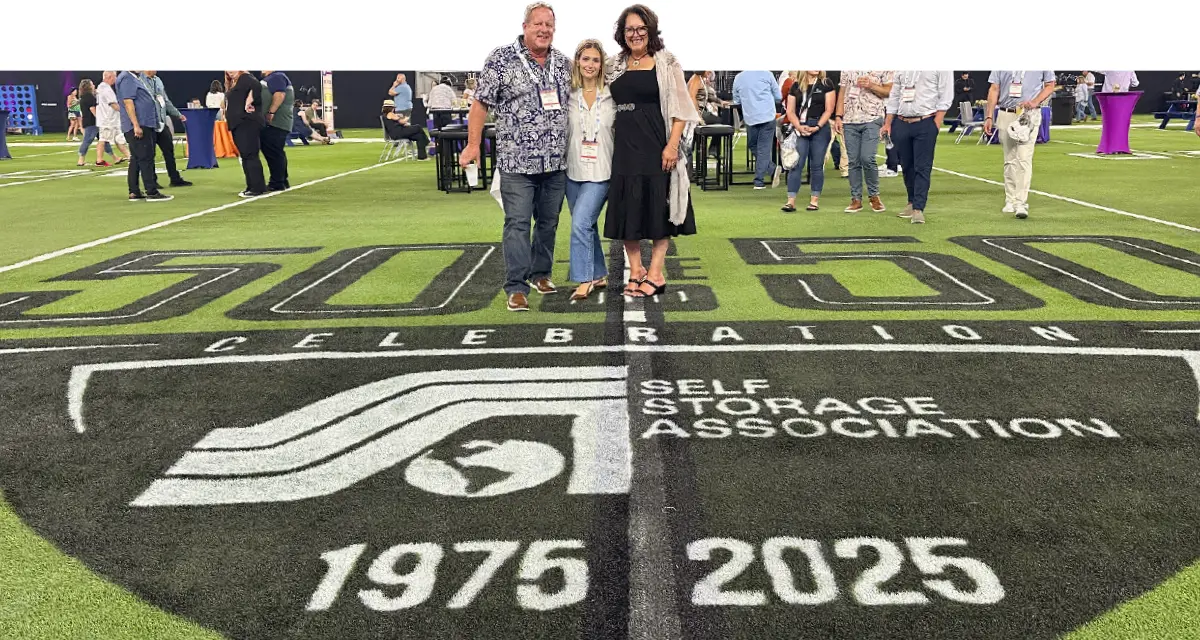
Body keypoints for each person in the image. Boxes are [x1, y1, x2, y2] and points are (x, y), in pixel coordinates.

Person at [459, 2, 572, 312]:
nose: (544, 29)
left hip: (555, 163)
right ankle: (516, 286)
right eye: (538, 23)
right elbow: (480, 105)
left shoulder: (563, 63)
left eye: (549, 24)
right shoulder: (501, 59)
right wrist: (472, 146)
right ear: (525, 27)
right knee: (518, 224)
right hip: (517, 164)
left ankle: (541, 274)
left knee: (548, 223)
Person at [603, 4, 700, 299]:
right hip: (623, 150)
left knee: (659, 211)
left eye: (641, 28)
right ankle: (636, 270)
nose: (635, 34)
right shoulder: (613, 65)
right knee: (625, 211)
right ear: (622, 33)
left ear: (651, 30)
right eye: (630, 29)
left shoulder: (666, 62)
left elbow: (682, 109)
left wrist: (672, 145)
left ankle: (656, 273)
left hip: (657, 147)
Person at [564, 38, 615, 301]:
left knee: (580, 223)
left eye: (596, 60)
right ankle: (598, 273)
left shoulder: (612, 96)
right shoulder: (567, 96)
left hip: (602, 171)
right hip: (572, 171)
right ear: (577, 62)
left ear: (601, 64)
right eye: (586, 59)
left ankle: (584, 280)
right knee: (587, 225)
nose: (590, 64)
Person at [880, 70, 953, 224]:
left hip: (925, 120)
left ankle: (918, 208)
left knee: (922, 167)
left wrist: (937, 122)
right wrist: (888, 122)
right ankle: (911, 201)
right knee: (906, 166)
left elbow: (946, 93)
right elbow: (894, 94)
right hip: (901, 121)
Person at [983, 70, 1056, 220]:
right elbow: (994, 88)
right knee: (1009, 159)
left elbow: (1050, 85)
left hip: (1029, 113)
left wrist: (1036, 101)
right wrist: (989, 115)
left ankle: (1021, 202)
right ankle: (1010, 199)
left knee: (1024, 158)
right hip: (1006, 112)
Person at [835, 70, 893, 213]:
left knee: (867, 158)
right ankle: (856, 199)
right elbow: (842, 91)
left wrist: (871, 85)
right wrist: (838, 115)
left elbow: (889, 91)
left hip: (872, 118)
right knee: (853, 161)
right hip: (849, 120)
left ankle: (874, 196)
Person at [782, 71, 835, 212]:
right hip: (801, 126)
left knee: (817, 165)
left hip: (820, 127)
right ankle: (791, 201)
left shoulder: (826, 84)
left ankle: (814, 200)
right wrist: (798, 126)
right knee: (796, 164)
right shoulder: (796, 86)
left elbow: (829, 110)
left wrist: (817, 126)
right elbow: (790, 110)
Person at [115, 70, 171, 201]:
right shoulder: (127, 78)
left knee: (136, 159)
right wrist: (135, 124)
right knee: (146, 158)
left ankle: (134, 191)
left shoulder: (135, 77)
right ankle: (151, 190)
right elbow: (128, 102)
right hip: (140, 124)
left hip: (143, 123)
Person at [731, 69, 781, 189]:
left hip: (751, 118)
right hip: (767, 116)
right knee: (761, 148)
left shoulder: (739, 77)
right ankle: (772, 169)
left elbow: (736, 100)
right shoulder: (767, 74)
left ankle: (759, 181)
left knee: (755, 146)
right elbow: (778, 96)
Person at [141, 71, 192, 188]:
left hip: (162, 122)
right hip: (149, 123)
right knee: (149, 154)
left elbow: (165, 100)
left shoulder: (158, 80)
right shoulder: (140, 80)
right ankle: (152, 181)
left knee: (169, 152)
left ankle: (175, 178)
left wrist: (178, 114)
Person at [225, 70, 267, 197]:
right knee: (246, 155)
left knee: (249, 154)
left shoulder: (245, 78)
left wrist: (250, 100)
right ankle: (252, 185)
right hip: (239, 123)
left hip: (246, 122)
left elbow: (257, 86)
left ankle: (256, 187)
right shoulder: (233, 82)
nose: (230, 71)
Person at [260, 70, 295, 191]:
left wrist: (271, 112)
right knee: (276, 152)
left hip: (276, 122)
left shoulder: (276, 77)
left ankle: (277, 182)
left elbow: (280, 94)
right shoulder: (277, 77)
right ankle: (282, 180)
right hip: (279, 122)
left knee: (273, 152)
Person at [95, 71, 129, 167]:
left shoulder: (101, 87)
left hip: (108, 119)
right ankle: (99, 160)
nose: (116, 78)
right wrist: (126, 113)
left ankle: (129, 155)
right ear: (109, 76)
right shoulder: (106, 89)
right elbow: (113, 104)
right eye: (115, 76)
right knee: (103, 139)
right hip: (108, 119)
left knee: (118, 138)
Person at [76, 79, 99, 167]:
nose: (94, 85)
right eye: (92, 84)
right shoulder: (89, 96)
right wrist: (99, 118)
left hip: (88, 120)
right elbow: (92, 109)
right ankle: (80, 160)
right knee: (87, 140)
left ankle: (115, 157)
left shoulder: (84, 96)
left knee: (103, 140)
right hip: (92, 121)